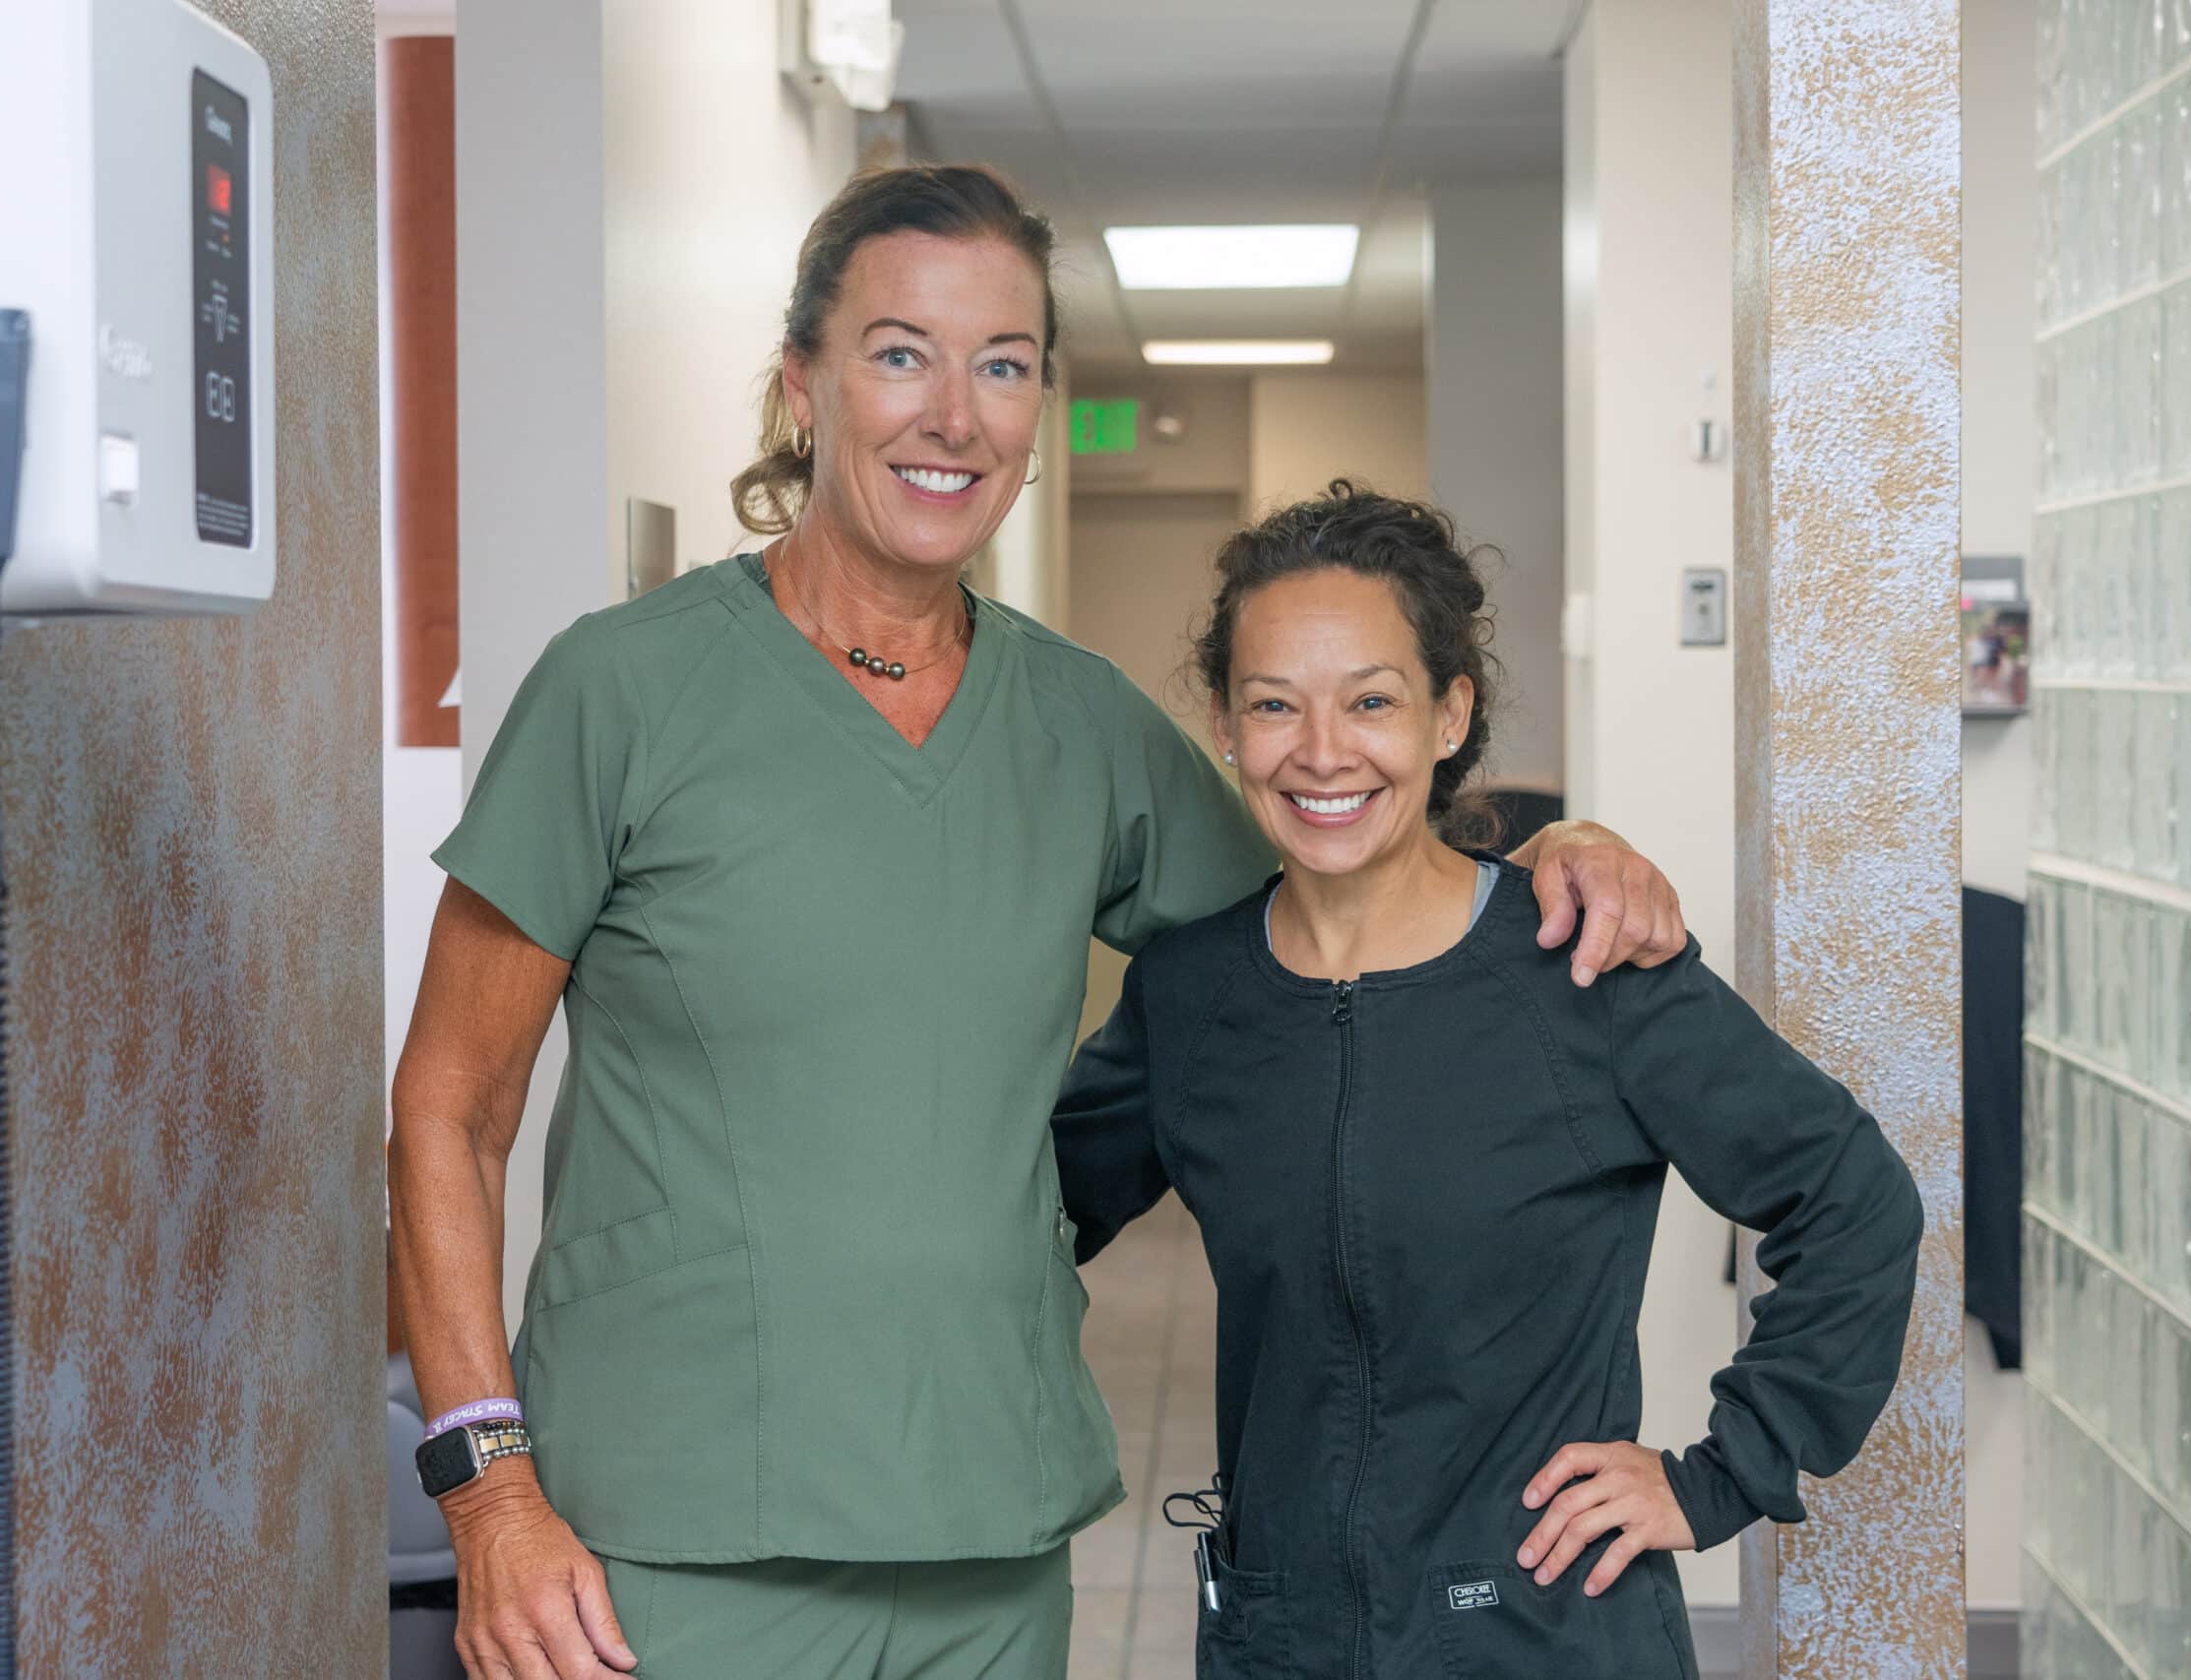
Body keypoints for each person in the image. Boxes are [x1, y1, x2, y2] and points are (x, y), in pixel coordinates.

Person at [389, 168, 1689, 1680]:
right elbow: (449, 1107)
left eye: (1003, 365)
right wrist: (486, 1489)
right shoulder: (618, 692)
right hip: (662, 1540)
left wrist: (1547, 847)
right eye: (901, 353)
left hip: (987, 1533)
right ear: (803, 385)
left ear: (1036, 414)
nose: (954, 414)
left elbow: (1347, 907)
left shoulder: (1083, 726)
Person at [1052, 483, 1924, 1680]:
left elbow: (1852, 1199)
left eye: (1371, 700)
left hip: (1542, 1632)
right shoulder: (1191, 996)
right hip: (1281, 1634)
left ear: (1449, 713)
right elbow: (1025, 1220)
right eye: (1273, 703)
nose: (1321, 750)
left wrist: (1719, 1476)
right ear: (1225, 724)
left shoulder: (1584, 967)